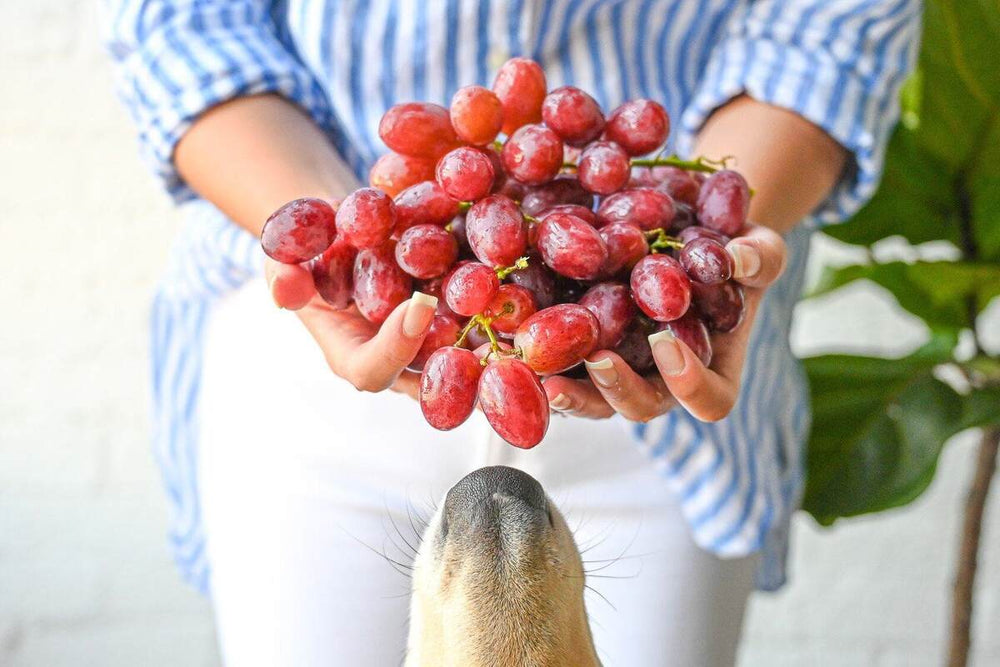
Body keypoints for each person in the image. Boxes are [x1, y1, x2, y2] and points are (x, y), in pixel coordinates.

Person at [104, 1, 921, 664]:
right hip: (318, 363)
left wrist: (715, 246)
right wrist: (354, 244)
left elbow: (827, 30)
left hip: (655, 387)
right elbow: (182, 25)